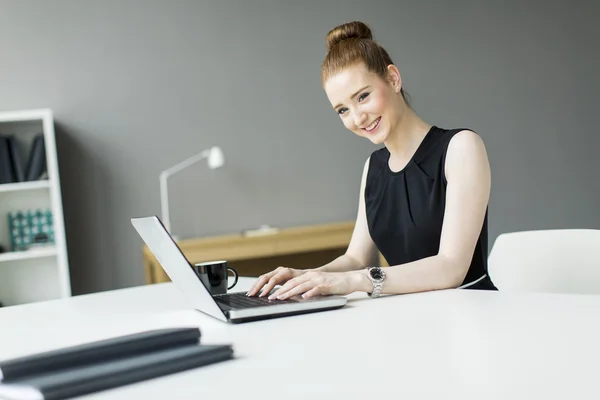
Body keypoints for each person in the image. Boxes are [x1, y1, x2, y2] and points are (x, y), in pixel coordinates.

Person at [247, 20, 497, 300]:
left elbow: (451, 268)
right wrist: (306, 276)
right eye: (342, 110)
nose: (357, 118)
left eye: (363, 96)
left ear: (393, 78)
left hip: (470, 317)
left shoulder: (461, 147)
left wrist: (354, 281)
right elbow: (356, 258)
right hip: (408, 319)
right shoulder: (374, 167)